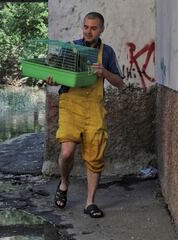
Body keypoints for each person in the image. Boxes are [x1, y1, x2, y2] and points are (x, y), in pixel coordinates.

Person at [46, 12, 125, 218]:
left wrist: (105, 73)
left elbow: (120, 82)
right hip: (70, 105)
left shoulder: (107, 53)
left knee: (95, 156)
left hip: (94, 108)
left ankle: (90, 202)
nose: (89, 31)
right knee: (66, 153)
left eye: (93, 28)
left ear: (101, 30)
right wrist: (52, 80)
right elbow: (56, 74)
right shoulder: (70, 49)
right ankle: (64, 183)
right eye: (86, 27)